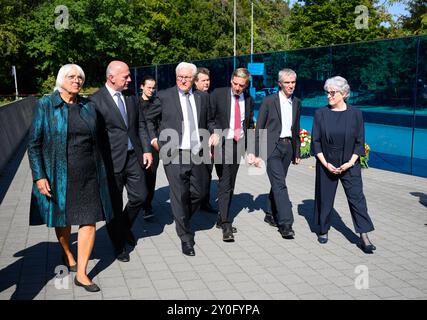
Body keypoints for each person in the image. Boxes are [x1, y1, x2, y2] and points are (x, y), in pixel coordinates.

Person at [28, 64, 113, 292]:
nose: (76, 81)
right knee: (63, 221)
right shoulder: (45, 105)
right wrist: (39, 176)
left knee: (89, 220)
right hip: (59, 175)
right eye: (71, 77)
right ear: (60, 80)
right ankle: (67, 253)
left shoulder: (88, 107)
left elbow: (101, 140)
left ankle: (82, 274)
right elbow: (34, 144)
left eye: (80, 77)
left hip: (89, 174)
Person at [145, 62, 218, 256]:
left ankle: (182, 217)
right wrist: (153, 139)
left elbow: (210, 121)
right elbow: (148, 119)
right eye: (180, 77)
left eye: (187, 77)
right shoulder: (164, 96)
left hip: (198, 152)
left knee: (200, 193)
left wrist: (213, 133)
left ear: (194, 79)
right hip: (173, 152)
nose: (183, 80)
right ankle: (186, 238)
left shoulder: (203, 97)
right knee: (179, 194)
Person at [91, 61, 153, 262]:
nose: (130, 79)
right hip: (111, 162)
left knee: (140, 197)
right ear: (112, 78)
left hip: (133, 157)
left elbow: (140, 125)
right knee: (114, 206)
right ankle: (118, 245)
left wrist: (146, 150)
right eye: (125, 76)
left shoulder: (131, 97)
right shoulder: (95, 101)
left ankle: (123, 228)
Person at [311, 76, 376, 253]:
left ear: (344, 94)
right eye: (327, 92)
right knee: (325, 198)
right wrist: (325, 164)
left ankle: (364, 235)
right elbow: (315, 142)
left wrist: (350, 163)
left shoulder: (356, 113)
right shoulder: (321, 113)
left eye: (333, 92)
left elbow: (359, 141)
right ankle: (323, 229)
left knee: (357, 198)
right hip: (327, 163)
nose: (329, 96)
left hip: (350, 163)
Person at [253, 68, 301, 240]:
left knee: (278, 182)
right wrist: (256, 153)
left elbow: (296, 128)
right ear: (280, 84)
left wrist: (297, 150)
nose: (290, 85)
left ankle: (269, 212)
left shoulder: (297, 102)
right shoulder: (269, 101)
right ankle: (286, 223)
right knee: (280, 184)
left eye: (293, 82)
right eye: (287, 82)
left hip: (288, 148)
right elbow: (259, 127)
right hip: (272, 148)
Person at [210, 68, 255, 242]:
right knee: (225, 182)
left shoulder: (248, 99)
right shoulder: (219, 94)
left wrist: (250, 150)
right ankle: (226, 223)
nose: (237, 88)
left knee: (229, 183)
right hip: (222, 143)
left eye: (241, 85)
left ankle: (222, 218)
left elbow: (249, 123)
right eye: (235, 84)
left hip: (238, 144)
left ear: (246, 85)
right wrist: (213, 132)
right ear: (231, 80)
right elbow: (210, 117)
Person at [194, 67, 217, 214]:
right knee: (197, 174)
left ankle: (205, 202)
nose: (206, 82)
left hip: (210, 141)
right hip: (195, 143)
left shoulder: (210, 96)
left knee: (208, 172)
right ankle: (195, 200)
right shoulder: (192, 97)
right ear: (195, 82)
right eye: (203, 80)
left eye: (208, 80)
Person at [139, 75, 158, 220]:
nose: (151, 90)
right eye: (149, 87)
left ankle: (147, 205)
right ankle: (140, 200)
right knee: (140, 175)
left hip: (153, 145)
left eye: (153, 87)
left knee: (151, 175)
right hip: (138, 144)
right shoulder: (135, 102)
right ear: (142, 87)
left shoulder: (156, 103)